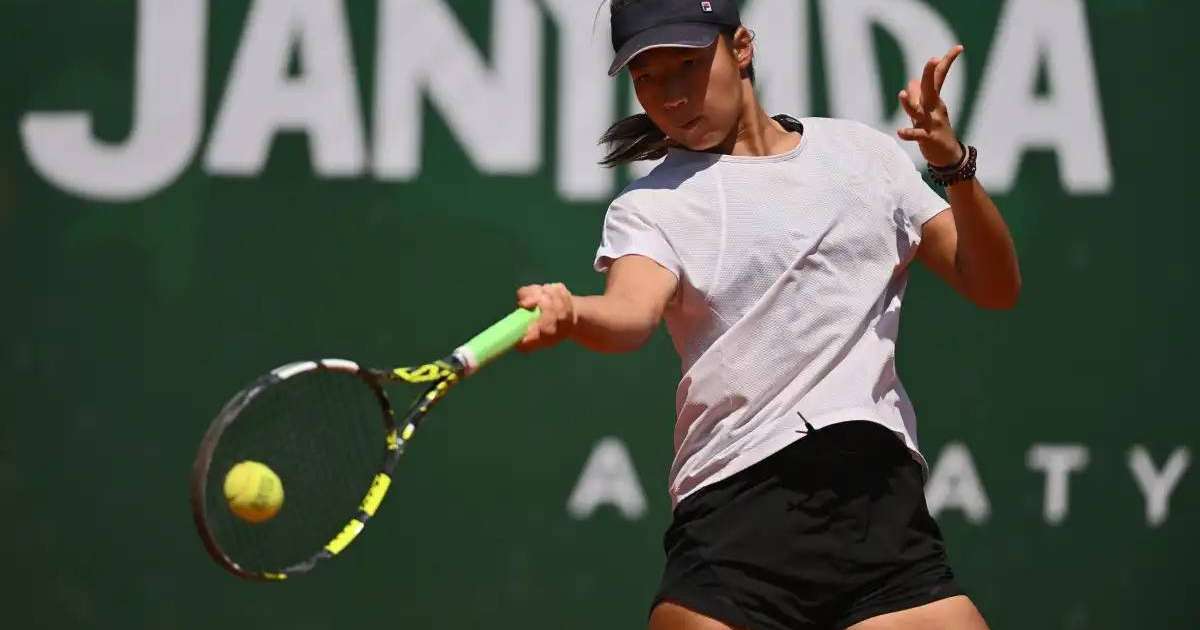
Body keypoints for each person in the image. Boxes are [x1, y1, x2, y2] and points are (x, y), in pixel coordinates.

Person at [516, 0, 1020, 628]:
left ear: (742, 47)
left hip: (879, 514)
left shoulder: (864, 156)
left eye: (688, 67)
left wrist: (953, 166)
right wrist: (572, 315)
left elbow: (994, 284)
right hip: (737, 520)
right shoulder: (651, 207)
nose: (669, 96)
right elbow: (629, 314)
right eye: (648, 78)